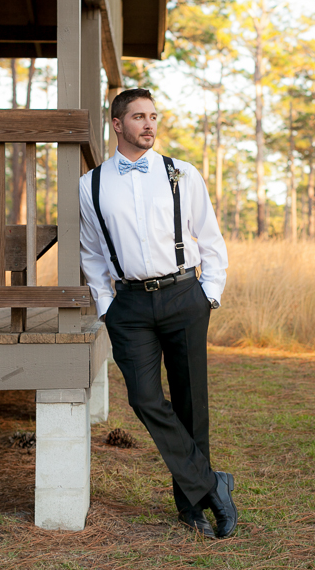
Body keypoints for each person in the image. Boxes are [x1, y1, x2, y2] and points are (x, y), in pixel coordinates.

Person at [78, 88, 236, 539]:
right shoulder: (91, 185)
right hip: (128, 305)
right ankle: (212, 486)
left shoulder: (181, 173)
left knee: (191, 406)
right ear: (117, 124)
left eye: (152, 116)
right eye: (138, 117)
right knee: (144, 399)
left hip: (184, 296)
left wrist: (210, 294)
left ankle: (193, 508)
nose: (148, 124)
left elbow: (210, 237)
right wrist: (107, 307)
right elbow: (91, 253)